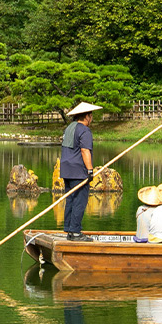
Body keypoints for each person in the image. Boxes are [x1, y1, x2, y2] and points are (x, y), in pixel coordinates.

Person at [59, 102, 103, 241]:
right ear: (87, 116)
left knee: (70, 199)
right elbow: (85, 150)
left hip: (66, 169)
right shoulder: (84, 130)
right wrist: (90, 170)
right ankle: (76, 232)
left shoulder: (69, 128)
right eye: (91, 116)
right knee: (80, 200)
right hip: (78, 170)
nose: (92, 119)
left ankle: (70, 229)